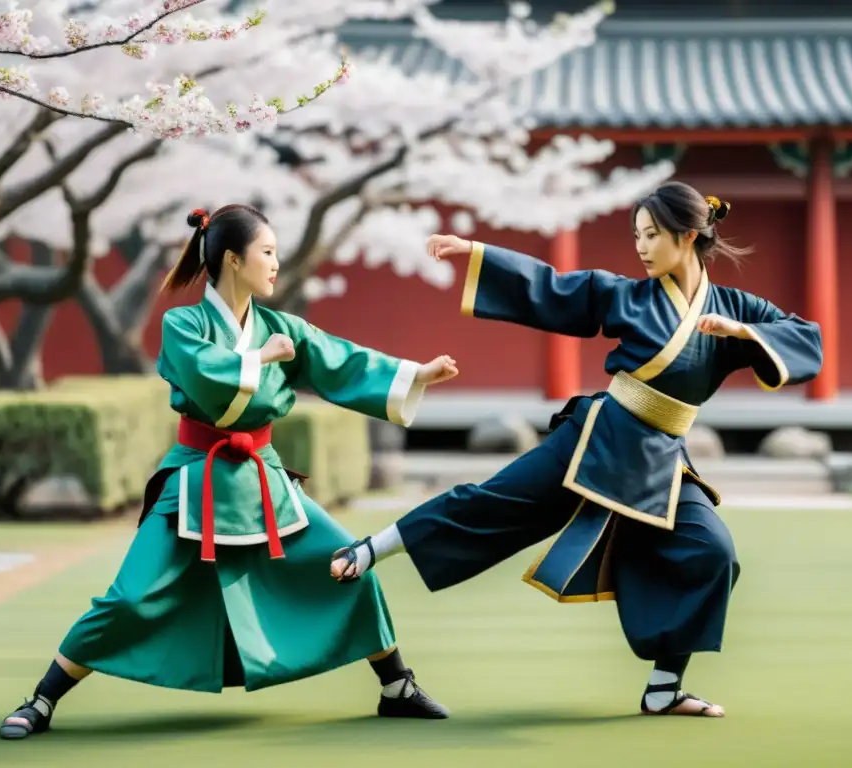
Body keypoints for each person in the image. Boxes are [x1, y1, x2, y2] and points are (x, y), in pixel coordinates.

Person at [329, 181, 823, 718]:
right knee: (493, 500)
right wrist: (478, 254)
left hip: (663, 459)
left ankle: (665, 688)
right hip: (599, 438)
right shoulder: (626, 296)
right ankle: (370, 549)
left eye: (651, 234)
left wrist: (742, 332)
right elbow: (555, 287)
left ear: (686, 236)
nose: (639, 246)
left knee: (713, 553)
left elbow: (805, 337)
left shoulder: (732, 308)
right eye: (636, 234)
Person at [0, 204, 458, 740]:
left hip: (263, 478)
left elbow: (341, 360)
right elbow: (202, 374)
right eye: (267, 253)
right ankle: (43, 700)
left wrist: (415, 375)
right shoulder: (183, 323)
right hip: (195, 478)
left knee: (348, 563)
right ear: (234, 260)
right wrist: (260, 359)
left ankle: (395, 685)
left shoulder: (280, 326)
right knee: (129, 597)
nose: (276, 265)